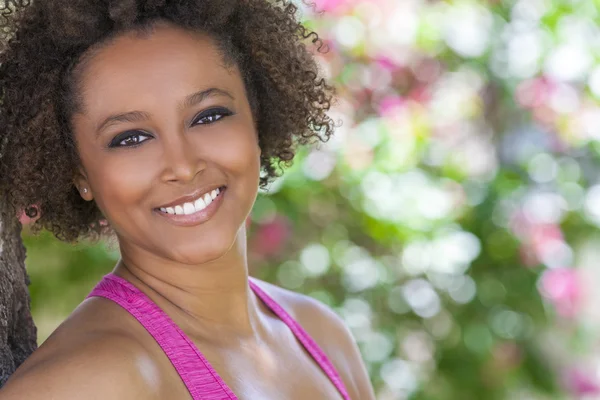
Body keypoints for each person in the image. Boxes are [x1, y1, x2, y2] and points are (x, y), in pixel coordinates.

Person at [0, 0, 375, 399]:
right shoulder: (81, 384)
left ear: (257, 115)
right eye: (131, 138)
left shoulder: (321, 337)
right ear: (79, 174)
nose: (182, 165)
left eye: (208, 116)